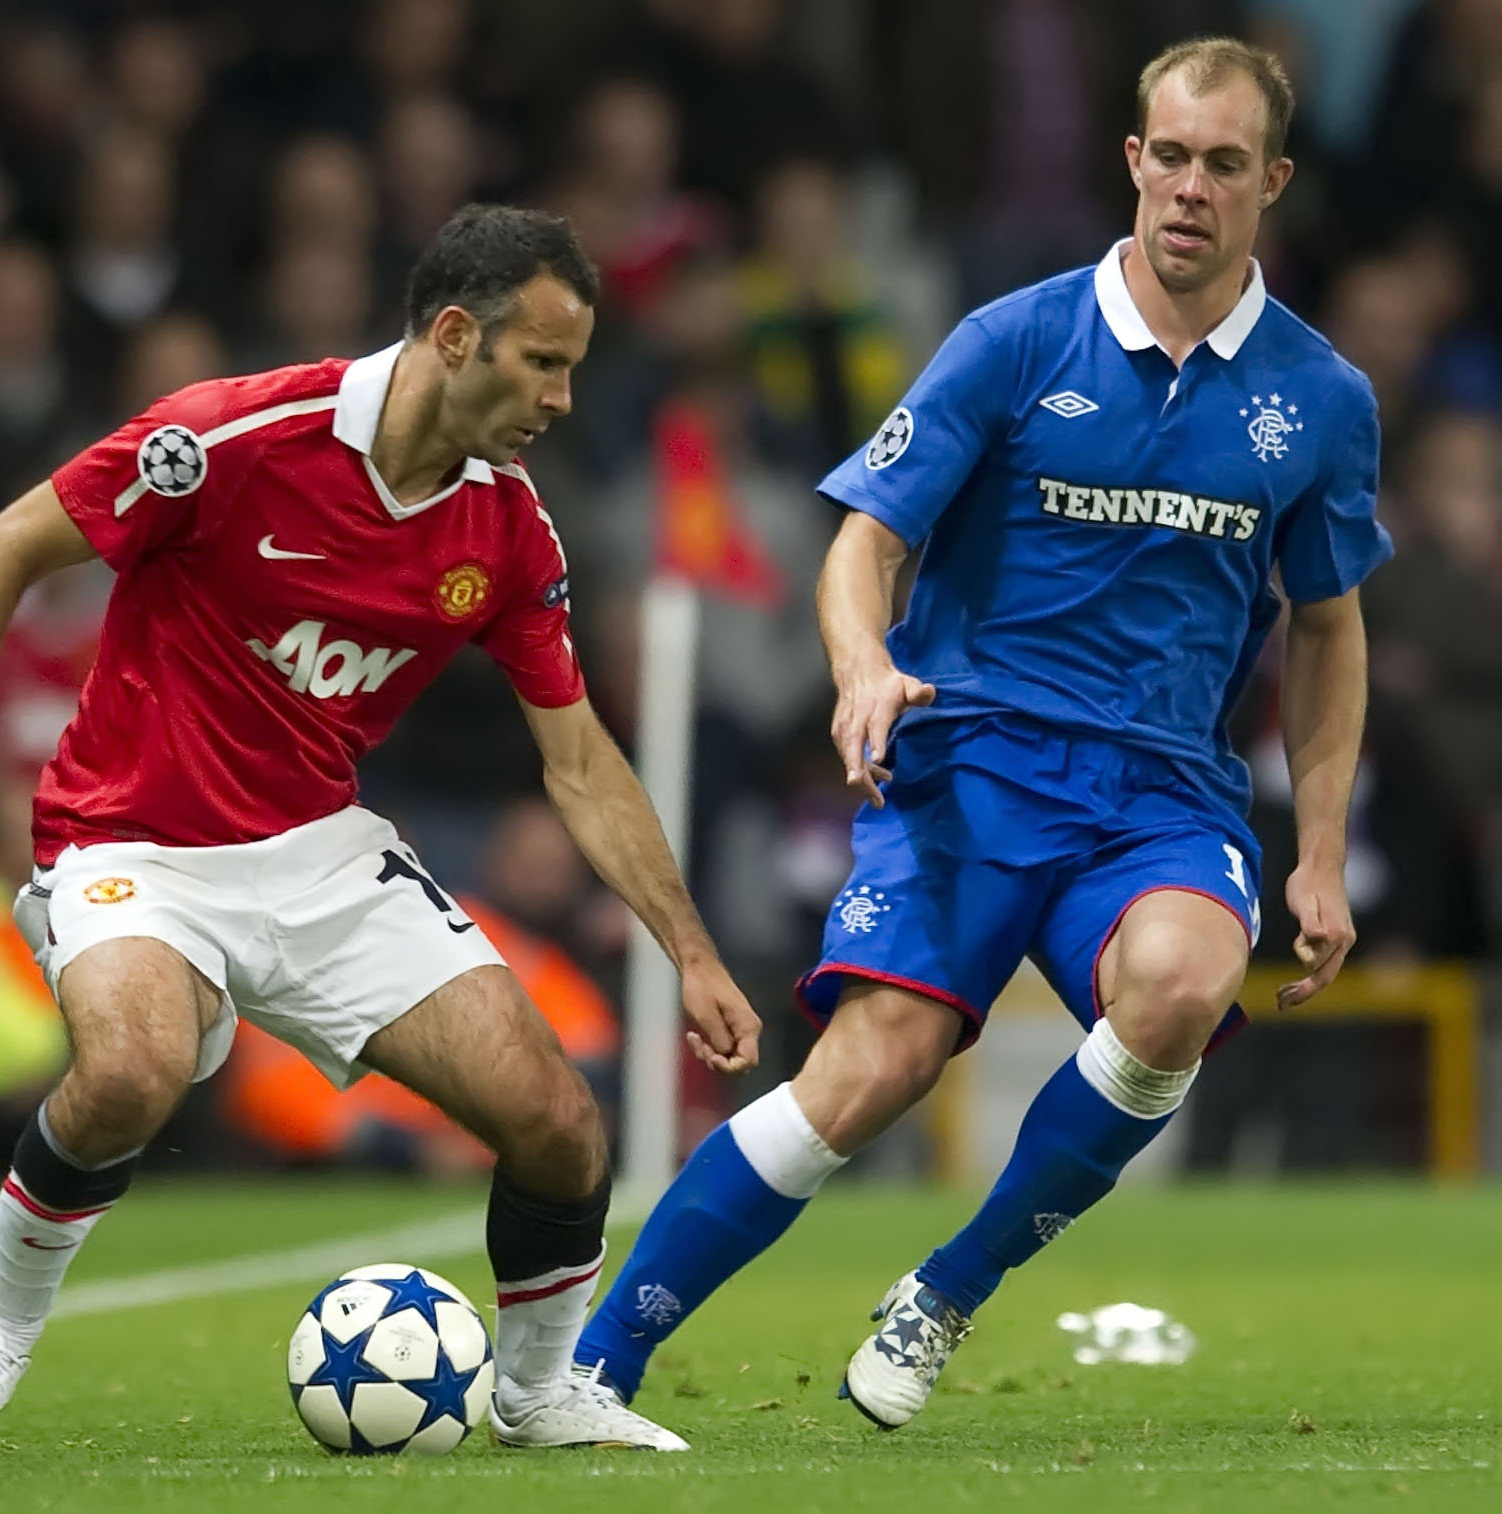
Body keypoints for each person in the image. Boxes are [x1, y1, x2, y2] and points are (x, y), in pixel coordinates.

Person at [0, 204, 760, 1458]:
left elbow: (583, 761)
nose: (560, 397)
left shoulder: (505, 528)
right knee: (127, 1072)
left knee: (558, 1123)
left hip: (319, 850)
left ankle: (541, 1389)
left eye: (573, 368)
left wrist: (693, 951)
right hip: (131, 842)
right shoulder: (229, 437)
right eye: (543, 362)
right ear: (455, 335)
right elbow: (5, 548)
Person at [574, 37, 1389, 1429]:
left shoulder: (1321, 399)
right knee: (868, 1070)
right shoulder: (1014, 338)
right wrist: (859, 668)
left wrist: (1315, 850)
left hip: (1160, 798)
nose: (1191, 188)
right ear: (1131, 161)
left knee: (1185, 986)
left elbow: (1326, 627)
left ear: (1273, 183)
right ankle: (590, 1366)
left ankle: (944, 1289)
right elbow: (866, 538)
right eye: (1171, 157)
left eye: (1224, 165)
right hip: (968, 765)